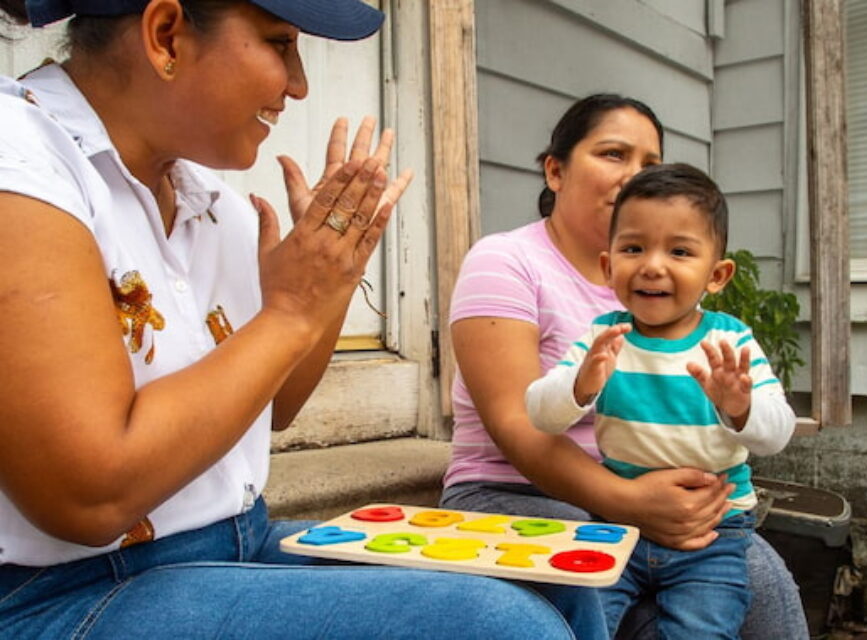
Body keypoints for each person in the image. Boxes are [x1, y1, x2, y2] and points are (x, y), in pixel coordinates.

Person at [0, 1, 593, 638]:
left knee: (554, 583)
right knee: (499, 627)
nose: (300, 82)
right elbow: (89, 498)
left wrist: (330, 279)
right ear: (165, 34)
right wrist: (290, 309)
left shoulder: (210, 201)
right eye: (280, 43)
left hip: (232, 543)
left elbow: (273, 406)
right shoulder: (24, 162)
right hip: (64, 591)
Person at [440, 94, 810, 639]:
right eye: (613, 154)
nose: (632, 176)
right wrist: (630, 503)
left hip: (646, 493)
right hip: (516, 489)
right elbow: (519, 425)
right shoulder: (506, 261)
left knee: (764, 582)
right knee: (597, 579)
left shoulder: (672, 297)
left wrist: (731, 421)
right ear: (556, 169)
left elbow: (756, 419)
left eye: (648, 163)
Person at [524, 163, 796, 638]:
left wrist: (740, 406)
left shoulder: (730, 342)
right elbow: (539, 415)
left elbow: (777, 433)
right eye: (633, 248)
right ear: (609, 266)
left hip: (712, 536)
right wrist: (580, 385)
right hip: (616, 525)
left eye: (679, 251)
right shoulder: (603, 338)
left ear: (716, 275)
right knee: (579, 624)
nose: (652, 265)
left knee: (701, 630)